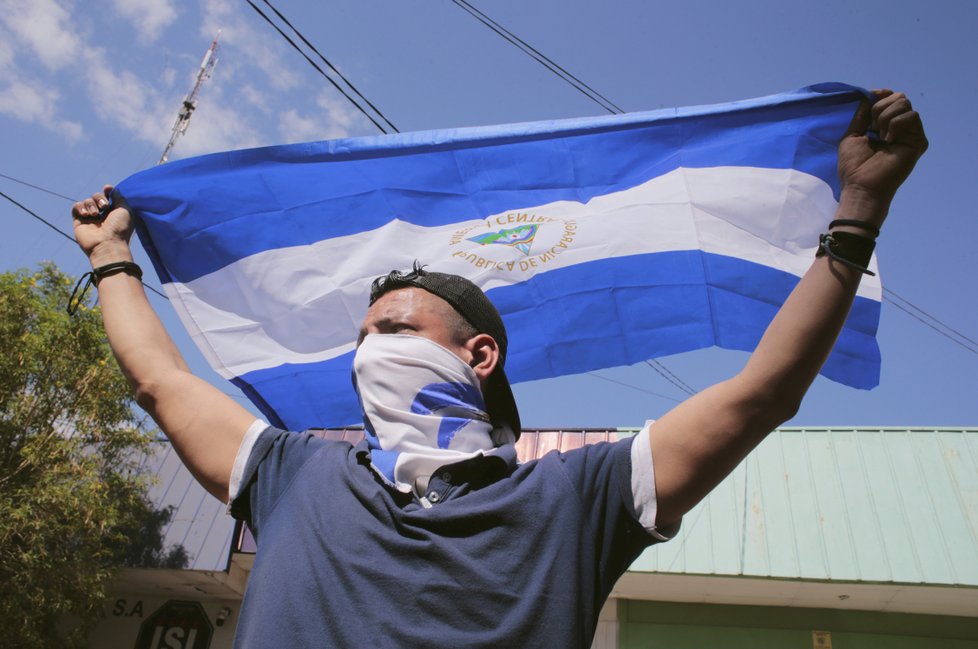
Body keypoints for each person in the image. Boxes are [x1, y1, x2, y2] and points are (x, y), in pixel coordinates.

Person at [72, 89, 926, 648]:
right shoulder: (294, 473)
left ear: (478, 354)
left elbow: (761, 394)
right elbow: (163, 382)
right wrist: (113, 258)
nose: (369, 351)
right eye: (361, 337)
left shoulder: (575, 498)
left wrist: (857, 213)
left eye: (395, 326)